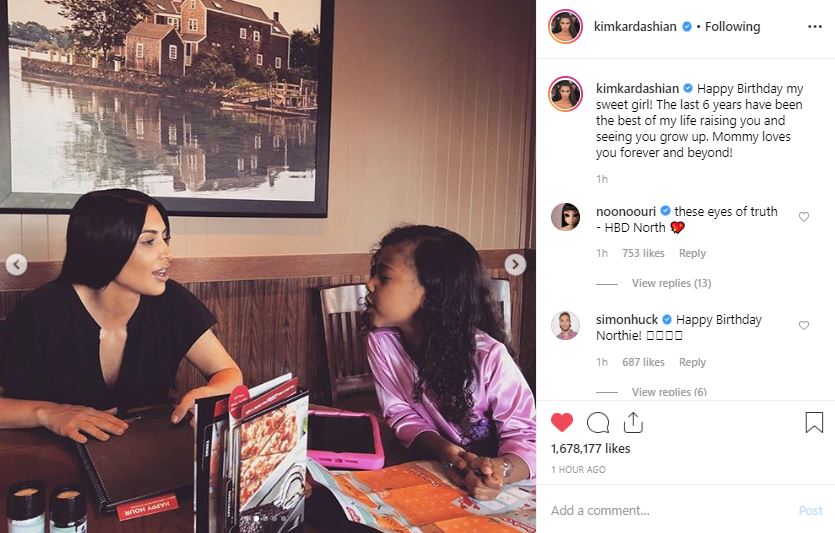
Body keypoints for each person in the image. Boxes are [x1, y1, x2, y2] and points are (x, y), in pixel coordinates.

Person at [0, 189, 243, 444]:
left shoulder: (170, 300)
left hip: (149, 450)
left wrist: (212, 392)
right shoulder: (43, 311)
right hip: (58, 455)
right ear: (105, 245)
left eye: (165, 238)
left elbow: (228, 372)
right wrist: (48, 413)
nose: (167, 253)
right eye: (148, 241)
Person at [363, 225, 535, 500]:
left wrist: (496, 471)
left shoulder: (489, 356)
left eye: (383, 276)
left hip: (506, 487)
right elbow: (401, 414)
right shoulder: (382, 344)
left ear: (432, 293)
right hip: (440, 472)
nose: (369, 283)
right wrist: (446, 451)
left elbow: (527, 437)